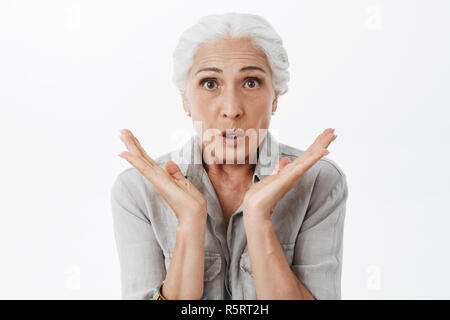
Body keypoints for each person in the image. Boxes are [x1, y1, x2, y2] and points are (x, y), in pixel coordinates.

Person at [111, 12, 348, 300]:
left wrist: (259, 219)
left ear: (275, 97)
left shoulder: (318, 182)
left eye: (251, 82)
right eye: (210, 83)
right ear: (185, 99)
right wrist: (189, 222)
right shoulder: (137, 190)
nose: (232, 109)